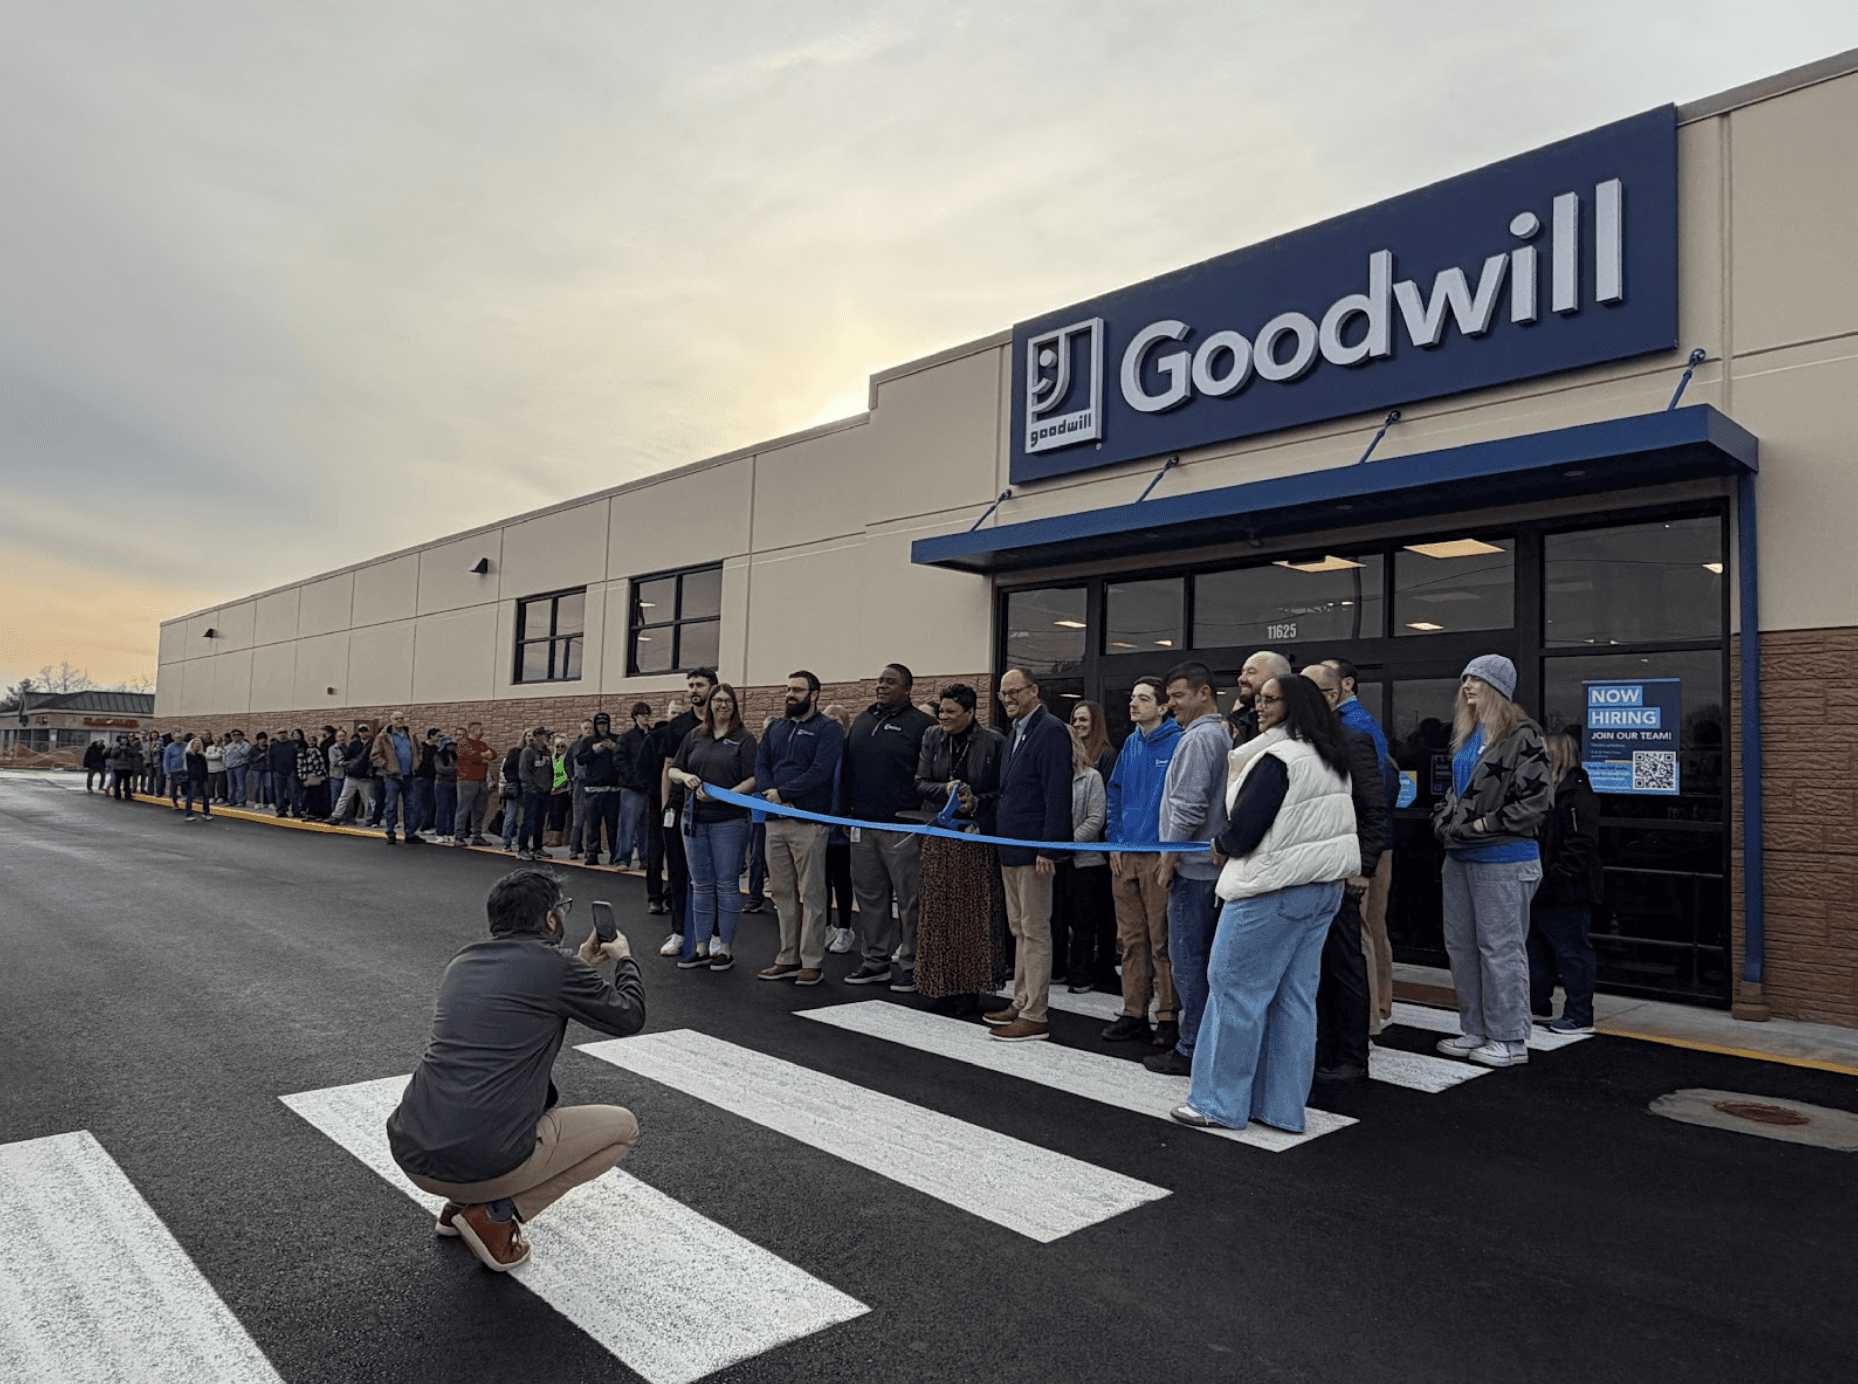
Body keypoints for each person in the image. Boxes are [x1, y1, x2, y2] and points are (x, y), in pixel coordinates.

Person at [386, 869, 644, 1272]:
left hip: (412, 1151)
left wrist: (577, 964)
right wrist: (624, 959)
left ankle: (464, 1204)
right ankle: (496, 1213)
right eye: (563, 908)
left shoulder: (463, 962)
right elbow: (629, 1016)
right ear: (550, 919)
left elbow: (524, 996)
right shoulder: (554, 967)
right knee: (622, 1129)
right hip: (481, 1160)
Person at [1172, 674, 1360, 1133]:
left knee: (1233, 989)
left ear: (1293, 706)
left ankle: (1217, 1103)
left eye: (1269, 700)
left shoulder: (1277, 758)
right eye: (1259, 699)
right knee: (1294, 998)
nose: (1259, 706)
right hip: (1323, 888)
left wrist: (1222, 843)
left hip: (1271, 889)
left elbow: (1244, 831)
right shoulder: (1331, 757)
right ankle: (1280, 1107)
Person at [1431, 655, 1555, 1069]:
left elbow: (1537, 801)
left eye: (1477, 680)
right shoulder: (1469, 734)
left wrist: (1483, 826)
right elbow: (1458, 791)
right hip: (1461, 856)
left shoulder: (1523, 735)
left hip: (1503, 858)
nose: (1467, 686)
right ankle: (1476, 1029)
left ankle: (1510, 1037)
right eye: (1465, 678)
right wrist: (1445, 819)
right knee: (1461, 945)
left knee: (1500, 949)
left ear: (1497, 687)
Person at [1301, 663, 1390, 1086]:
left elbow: (1374, 809)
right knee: (1315, 966)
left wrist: (1363, 868)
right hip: (1308, 870)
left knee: (1345, 963)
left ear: (1333, 696)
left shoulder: (1353, 740)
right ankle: (1323, 1047)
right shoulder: (1303, 742)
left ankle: (1353, 1054)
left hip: (1342, 870)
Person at [1147, 661, 1233, 1076]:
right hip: (1208, 870)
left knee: (1188, 963)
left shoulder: (1201, 739)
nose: (1171, 704)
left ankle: (1192, 1046)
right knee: (1203, 963)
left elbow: (1188, 806)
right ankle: (1204, 1042)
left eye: (1179, 696)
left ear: (1204, 694)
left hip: (1195, 871)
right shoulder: (1220, 735)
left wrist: (1167, 860)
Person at [984, 668, 1074, 1042]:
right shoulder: (1015, 733)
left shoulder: (1050, 731)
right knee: (1019, 929)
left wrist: (1049, 848)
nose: (1008, 699)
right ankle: (1020, 1000)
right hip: (1011, 848)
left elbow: (1057, 793)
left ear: (1034, 691)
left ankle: (1035, 1013)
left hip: (1035, 851)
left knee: (1035, 931)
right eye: (1004, 694)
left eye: (1015, 692)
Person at [912, 683, 1007, 1015]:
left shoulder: (994, 742)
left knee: (971, 917)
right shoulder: (931, 738)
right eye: (941, 710)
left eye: (951, 712)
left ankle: (968, 987)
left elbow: (1002, 792)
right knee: (938, 914)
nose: (944, 717)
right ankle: (937, 984)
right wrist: (945, 789)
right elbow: (919, 782)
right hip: (940, 836)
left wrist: (975, 803)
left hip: (975, 838)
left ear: (970, 713)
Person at [841, 664, 936, 990]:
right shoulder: (863, 720)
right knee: (870, 898)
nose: (881, 686)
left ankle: (912, 963)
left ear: (907, 689)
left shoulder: (923, 726)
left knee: (911, 901)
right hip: (862, 826)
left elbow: (931, 778)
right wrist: (843, 814)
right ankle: (875, 961)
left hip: (903, 828)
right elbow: (847, 770)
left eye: (889, 682)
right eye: (879, 680)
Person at [1103, 677, 1182, 1045]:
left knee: (1162, 941)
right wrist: (1114, 840)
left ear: (1163, 706)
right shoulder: (1130, 745)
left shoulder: (1179, 742)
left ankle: (1168, 1015)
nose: (1134, 704)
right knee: (1132, 940)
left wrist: (1169, 852)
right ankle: (1134, 1009)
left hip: (1158, 856)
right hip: (1126, 855)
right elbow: (1114, 792)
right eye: (1133, 698)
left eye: (1144, 699)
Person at [755, 672, 845, 986]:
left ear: (815, 694)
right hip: (775, 822)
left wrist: (785, 794)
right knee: (782, 893)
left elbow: (821, 771)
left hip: (810, 823)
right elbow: (761, 764)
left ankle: (812, 962)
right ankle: (787, 957)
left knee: (812, 894)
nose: (790, 694)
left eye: (797, 689)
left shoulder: (828, 729)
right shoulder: (776, 728)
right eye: (788, 689)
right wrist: (771, 795)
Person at [1325, 657, 1398, 1033]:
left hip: (1360, 846)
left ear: (1345, 687)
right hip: (1359, 844)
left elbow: (1380, 788)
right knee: (1366, 929)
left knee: (1363, 930)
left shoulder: (1357, 726)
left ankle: (1372, 1014)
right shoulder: (1342, 725)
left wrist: (1365, 855)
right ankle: (1376, 1007)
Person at [667, 684, 758, 970]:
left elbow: (754, 778)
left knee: (726, 885)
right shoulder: (695, 736)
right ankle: (702, 946)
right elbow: (673, 768)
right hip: (694, 820)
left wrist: (724, 794)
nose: (722, 705)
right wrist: (685, 777)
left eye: (728, 701)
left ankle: (725, 949)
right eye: (717, 700)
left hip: (729, 821)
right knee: (700, 885)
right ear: (710, 705)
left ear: (735, 705)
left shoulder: (744, 738)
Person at [1529, 732, 1601, 1035]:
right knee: (1537, 950)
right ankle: (1538, 1005)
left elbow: (1580, 844)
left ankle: (1579, 1015)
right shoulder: (1549, 792)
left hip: (1568, 891)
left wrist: (1556, 876)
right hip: (1542, 887)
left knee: (1572, 954)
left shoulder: (1576, 795)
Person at [657, 673, 715, 954]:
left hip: (712, 809)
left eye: (700, 685)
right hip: (679, 808)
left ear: (712, 688)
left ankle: (714, 934)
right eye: (691, 685)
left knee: (709, 874)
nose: (694, 690)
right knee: (678, 871)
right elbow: (668, 766)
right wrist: (666, 805)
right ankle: (679, 932)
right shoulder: (677, 726)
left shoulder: (722, 722)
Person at [1054, 727, 1111, 995]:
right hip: (1055, 861)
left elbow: (1096, 819)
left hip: (1085, 861)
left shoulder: (1092, 778)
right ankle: (1057, 968)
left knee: (1083, 922)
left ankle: (1081, 973)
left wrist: (1067, 843)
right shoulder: (1050, 777)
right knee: (1056, 919)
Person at [821, 704, 857, 954]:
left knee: (842, 881)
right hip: (819, 825)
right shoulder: (818, 750)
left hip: (842, 826)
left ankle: (845, 928)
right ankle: (825, 927)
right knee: (820, 882)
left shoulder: (851, 750)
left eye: (837, 720)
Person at [575, 713, 626, 866]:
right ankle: (592, 854)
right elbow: (579, 759)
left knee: (613, 826)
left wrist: (614, 748)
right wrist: (593, 750)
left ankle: (614, 855)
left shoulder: (617, 739)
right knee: (592, 826)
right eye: (599, 724)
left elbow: (627, 757)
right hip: (593, 789)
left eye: (605, 724)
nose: (602, 727)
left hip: (613, 790)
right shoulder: (588, 741)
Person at [616, 702, 656, 870]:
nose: (646, 717)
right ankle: (622, 859)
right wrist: (633, 778)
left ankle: (646, 859)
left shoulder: (654, 735)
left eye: (647, 714)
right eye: (642, 714)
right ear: (635, 717)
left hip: (649, 788)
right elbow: (619, 760)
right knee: (628, 824)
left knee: (646, 827)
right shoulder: (626, 737)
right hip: (631, 788)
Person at [372, 713, 418, 842]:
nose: (399, 721)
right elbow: (375, 755)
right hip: (392, 776)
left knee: (410, 805)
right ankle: (390, 832)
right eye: (396, 719)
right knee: (391, 805)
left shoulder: (411, 735)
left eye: (402, 718)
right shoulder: (383, 736)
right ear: (391, 721)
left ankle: (409, 833)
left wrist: (416, 763)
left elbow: (418, 750)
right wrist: (387, 766)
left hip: (409, 775)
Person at [1229, 651, 1291, 745]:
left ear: (1278, 677)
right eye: (1242, 672)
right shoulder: (1239, 722)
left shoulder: (1292, 728)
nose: (1241, 679)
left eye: (1251, 672)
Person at [453, 721, 496, 846]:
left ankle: (477, 835)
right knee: (464, 808)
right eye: (480, 730)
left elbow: (493, 754)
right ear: (474, 730)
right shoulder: (464, 743)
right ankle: (459, 836)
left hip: (481, 780)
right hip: (467, 780)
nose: (483, 732)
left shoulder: (481, 744)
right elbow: (471, 756)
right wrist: (483, 756)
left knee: (480, 809)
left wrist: (484, 756)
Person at [516, 727, 555, 861]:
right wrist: (532, 789)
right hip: (532, 792)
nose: (549, 739)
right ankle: (522, 848)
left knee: (540, 821)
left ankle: (537, 847)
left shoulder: (547, 752)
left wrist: (550, 786)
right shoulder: (528, 752)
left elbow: (551, 771)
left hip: (545, 792)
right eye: (546, 736)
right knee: (528, 820)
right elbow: (524, 773)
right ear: (537, 736)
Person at [329, 724, 380, 825]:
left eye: (365, 731)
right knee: (344, 797)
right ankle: (336, 816)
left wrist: (372, 772)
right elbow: (347, 758)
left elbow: (376, 761)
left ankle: (369, 818)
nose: (363, 733)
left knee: (368, 799)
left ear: (369, 732)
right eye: (361, 731)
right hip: (352, 776)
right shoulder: (354, 744)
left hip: (366, 777)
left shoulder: (374, 745)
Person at [432, 730, 460, 845]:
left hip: (454, 784)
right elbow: (440, 769)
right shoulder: (438, 756)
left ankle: (450, 832)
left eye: (452, 745)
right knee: (442, 809)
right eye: (449, 745)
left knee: (453, 809)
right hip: (442, 785)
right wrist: (456, 770)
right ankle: (440, 833)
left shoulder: (455, 756)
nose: (451, 747)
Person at [181, 737, 214, 821]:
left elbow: (205, 767)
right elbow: (187, 766)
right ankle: (188, 813)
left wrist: (206, 776)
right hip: (193, 777)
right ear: (191, 745)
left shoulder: (202, 755)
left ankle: (206, 812)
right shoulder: (188, 754)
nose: (196, 745)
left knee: (206, 795)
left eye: (198, 744)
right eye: (195, 744)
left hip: (203, 777)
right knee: (191, 795)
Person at [224, 730, 251, 807]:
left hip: (240, 766)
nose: (235, 737)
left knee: (240, 784)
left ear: (241, 736)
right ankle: (231, 800)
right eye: (233, 735)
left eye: (237, 735)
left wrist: (238, 746)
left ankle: (241, 801)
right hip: (230, 766)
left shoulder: (246, 744)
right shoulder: (230, 744)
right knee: (231, 785)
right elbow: (226, 754)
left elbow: (245, 753)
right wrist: (226, 763)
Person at [162, 733, 188, 809]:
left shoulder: (186, 746)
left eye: (180, 737)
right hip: (174, 771)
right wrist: (167, 772)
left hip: (184, 770)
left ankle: (186, 802)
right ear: (173, 738)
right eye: (177, 737)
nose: (178, 739)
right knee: (174, 788)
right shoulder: (170, 747)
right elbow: (166, 760)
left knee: (185, 786)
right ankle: (175, 803)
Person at [204, 734, 227, 803]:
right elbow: (206, 756)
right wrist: (214, 756)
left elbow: (220, 756)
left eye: (218, 740)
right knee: (211, 784)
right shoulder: (209, 748)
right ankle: (211, 796)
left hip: (221, 769)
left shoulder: (223, 748)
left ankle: (220, 796)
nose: (216, 741)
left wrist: (211, 756)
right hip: (211, 769)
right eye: (215, 739)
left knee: (220, 784)